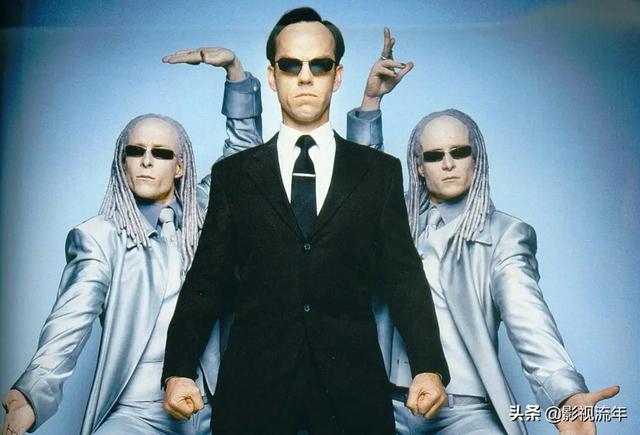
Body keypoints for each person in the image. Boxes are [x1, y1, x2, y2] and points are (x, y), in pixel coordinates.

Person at [161, 7, 449, 434]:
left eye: (320, 65)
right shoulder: (233, 176)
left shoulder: (379, 173)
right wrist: (178, 370)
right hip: (253, 390)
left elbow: (403, 276)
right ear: (272, 75)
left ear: (338, 75)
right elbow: (207, 279)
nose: (306, 77)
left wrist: (428, 366)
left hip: (353, 391)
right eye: (291, 65)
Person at [1, 49, 262, 435]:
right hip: (138, 413)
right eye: (136, 151)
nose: (146, 161)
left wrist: (234, 72)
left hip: (217, 408)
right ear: (122, 162)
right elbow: (68, 326)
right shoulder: (99, 239)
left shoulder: (206, 212)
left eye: (161, 153)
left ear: (180, 166)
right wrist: (30, 396)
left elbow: (245, 157)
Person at [347, 64, 620, 432]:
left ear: (476, 160)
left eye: (459, 152)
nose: (447, 164)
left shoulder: (504, 235)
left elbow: (528, 319)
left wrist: (566, 394)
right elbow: (359, 186)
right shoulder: (393, 221)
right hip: (385, 406)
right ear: (419, 167)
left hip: (465, 412)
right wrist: (371, 102)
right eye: (434, 155)